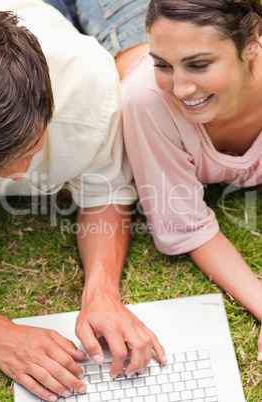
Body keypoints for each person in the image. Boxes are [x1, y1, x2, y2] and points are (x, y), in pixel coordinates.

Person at [0, 1, 166, 401]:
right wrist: (1, 334)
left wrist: (102, 291)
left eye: (33, 146)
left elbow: (105, 191)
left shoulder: (90, 82)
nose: (20, 172)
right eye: (0, 164)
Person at [122, 0, 262, 359]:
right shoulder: (147, 99)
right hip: (116, 22)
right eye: (162, 65)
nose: (181, 89)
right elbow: (186, 225)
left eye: (199, 65)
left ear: (252, 45)